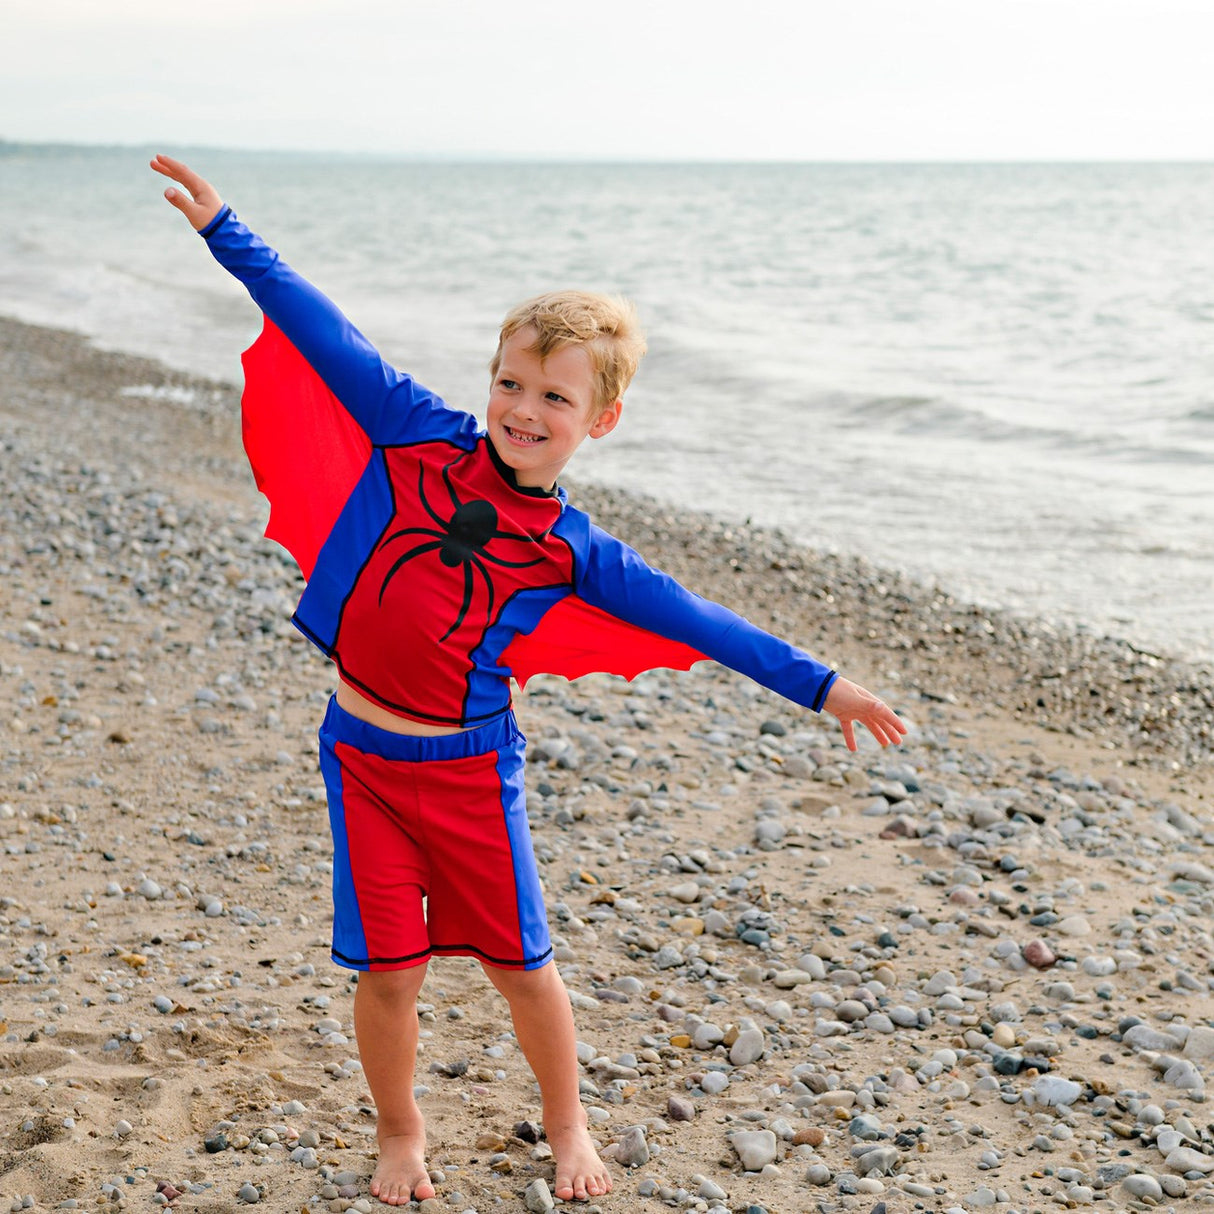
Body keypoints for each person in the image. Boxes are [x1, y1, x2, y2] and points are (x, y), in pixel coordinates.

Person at [151, 153, 907, 1206]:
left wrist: (824, 685)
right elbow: (325, 330)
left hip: (466, 771)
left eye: (553, 395)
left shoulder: (576, 551)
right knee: (388, 971)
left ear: (596, 419)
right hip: (360, 752)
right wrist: (226, 230)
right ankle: (402, 1129)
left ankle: (567, 1120)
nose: (522, 406)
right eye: (510, 382)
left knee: (521, 966)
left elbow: (702, 619)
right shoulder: (414, 433)